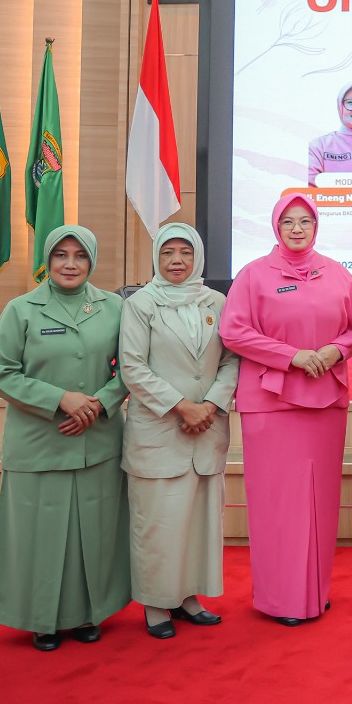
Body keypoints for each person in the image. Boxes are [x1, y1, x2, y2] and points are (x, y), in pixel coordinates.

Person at [219, 193, 352, 626]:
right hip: (272, 404)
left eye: (305, 221)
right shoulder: (253, 275)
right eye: (288, 222)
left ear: (316, 226)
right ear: (276, 227)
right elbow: (234, 331)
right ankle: (281, 599)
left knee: (320, 500)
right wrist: (292, 356)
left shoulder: (338, 273)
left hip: (326, 402)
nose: (297, 229)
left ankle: (315, 593)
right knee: (278, 504)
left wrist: (333, 350)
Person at [0, 226, 129, 651]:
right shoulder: (21, 309)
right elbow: (1, 373)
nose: (70, 264)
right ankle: (41, 619)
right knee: (41, 536)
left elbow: (131, 368)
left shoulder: (115, 308)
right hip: (39, 442)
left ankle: (88, 614)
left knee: (93, 534)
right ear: (47, 260)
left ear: (92, 260)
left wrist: (99, 404)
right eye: (61, 255)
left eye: (80, 255)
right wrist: (61, 399)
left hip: (96, 442)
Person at [120, 223, 239, 640]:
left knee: (196, 523)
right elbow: (132, 366)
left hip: (206, 430)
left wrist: (210, 405)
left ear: (197, 257)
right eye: (168, 252)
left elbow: (231, 360)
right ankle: (156, 604)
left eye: (185, 252)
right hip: (160, 430)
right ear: (156, 257)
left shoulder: (217, 302)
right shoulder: (141, 304)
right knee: (158, 523)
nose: (177, 260)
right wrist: (182, 406)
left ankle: (188, 597)